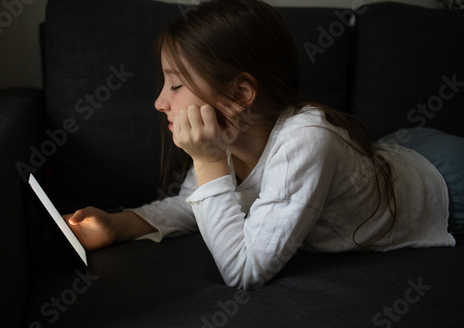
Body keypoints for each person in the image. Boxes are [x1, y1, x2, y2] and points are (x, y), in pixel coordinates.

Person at [63, 0, 461, 290]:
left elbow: (244, 269)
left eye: (177, 84)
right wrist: (117, 225)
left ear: (240, 93)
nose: (159, 102)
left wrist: (209, 159)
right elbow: (193, 204)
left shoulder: (304, 142)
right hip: (387, 153)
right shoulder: (230, 136)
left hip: (441, 176)